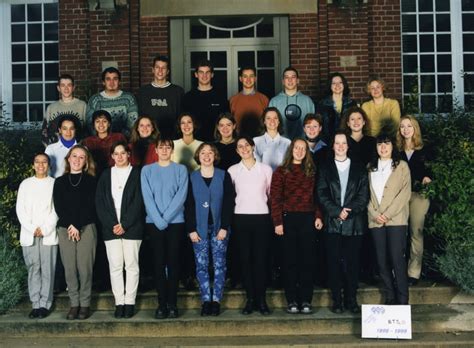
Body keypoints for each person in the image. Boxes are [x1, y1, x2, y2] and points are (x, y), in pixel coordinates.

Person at [317, 131, 369, 314]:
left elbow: (363, 196)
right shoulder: (325, 168)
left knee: (352, 264)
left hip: (354, 224)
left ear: (348, 146)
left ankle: (351, 299)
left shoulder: (359, 168)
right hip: (332, 224)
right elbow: (321, 194)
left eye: (343, 143)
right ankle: (337, 300)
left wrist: (349, 211)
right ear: (332, 146)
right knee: (333, 264)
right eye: (337, 143)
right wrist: (336, 211)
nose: (340, 146)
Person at [270, 138, 323, 315]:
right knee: (289, 262)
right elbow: (275, 198)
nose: (300, 151)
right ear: (291, 149)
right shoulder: (281, 171)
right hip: (287, 220)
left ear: (307, 152)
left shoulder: (312, 171)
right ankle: (292, 300)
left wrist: (318, 216)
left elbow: (316, 197)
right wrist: (277, 222)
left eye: (303, 148)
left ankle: (306, 300)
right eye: (297, 148)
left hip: (308, 218)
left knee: (307, 262)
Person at [95, 141, 144, 319]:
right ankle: (119, 302)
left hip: (132, 227)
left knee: (131, 265)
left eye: (123, 153)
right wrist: (112, 224)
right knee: (115, 266)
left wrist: (125, 224)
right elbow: (100, 203)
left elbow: (139, 201)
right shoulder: (106, 175)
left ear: (129, 154)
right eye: (116, 153)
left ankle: (129, 302)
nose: (120, 156)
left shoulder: (138, 173)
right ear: (112, 156)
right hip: (110, 228)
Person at [185, 143, 235, 316]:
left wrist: (224, 227)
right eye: (203, 153)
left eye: (210, 153)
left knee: (220, 264)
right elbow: (189, 205)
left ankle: (216, 301)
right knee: (201, 265)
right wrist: (191, 229)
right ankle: (206, 300)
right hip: (198, 229)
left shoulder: (223, 175)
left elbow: (229, 202)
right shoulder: (192, 177)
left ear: (215, 156)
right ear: (198, 156)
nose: (206, 156)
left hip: (219, 228)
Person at [141, 137, 188, 319]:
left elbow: (181, 196)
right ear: (156, 150)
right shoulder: (147, 170)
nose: (164, 150)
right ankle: (161, 305)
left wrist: (166, 218)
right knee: (158, 264)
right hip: (154, 223)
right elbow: (147, 198)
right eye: (161, 147)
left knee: (174, 263)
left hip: (175, 222)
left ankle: (173, 304)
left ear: (172, 150)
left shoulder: (180, 170)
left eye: (168, 147)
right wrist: (159, 220)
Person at [228, 136, 273, 315]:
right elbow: (230, 197)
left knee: (260, 260)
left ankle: (261, 299)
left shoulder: (265, 169)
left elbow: (271, 195)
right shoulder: (232, 171)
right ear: (237, 151)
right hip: (240, 218)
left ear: (253, 147)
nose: (244, 148)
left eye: (247, 145)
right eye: (240, 146)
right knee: (245, 260)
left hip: (262, 217)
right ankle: (250, 299)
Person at [53, 145, 97, 320]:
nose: (77, 160)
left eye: (81, 157)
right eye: (74, 156)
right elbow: (59, 206)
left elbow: (91, 205)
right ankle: (74, 303)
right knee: (70, 268)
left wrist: (77, 225)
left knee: (85, 268)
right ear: (68, 159)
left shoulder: (92, 181)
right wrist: (71, 225)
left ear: (86, 162)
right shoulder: (59, 182)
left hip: (87, 227)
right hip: (65, 229)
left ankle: (85, 304)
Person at [367, 133, 411, 305]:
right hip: (375, 220)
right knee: (381, 260)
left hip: (396, 220)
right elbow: (367, 195)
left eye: (386, 144)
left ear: (393, 146)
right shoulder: (370, 167)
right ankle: (390, 296)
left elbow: (405, 194)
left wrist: (387, 214)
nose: (383, 147)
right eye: (380, 144)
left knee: (396, 259)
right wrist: (375, 214)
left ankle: (402, 298)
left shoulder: (402, 167)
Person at [16, 153, 58, 319]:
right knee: (34, 269)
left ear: (49, 165)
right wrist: (33, 228)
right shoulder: (25, 184)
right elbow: (20, 210)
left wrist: (45, 228)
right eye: (37, 162)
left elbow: (56, 210)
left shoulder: (55, 184)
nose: (41, 165)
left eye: (44, 162)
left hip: (48, 234)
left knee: (48, 269)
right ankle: (35, 304)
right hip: (29, 233)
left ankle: (45, 304)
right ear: (33, 165)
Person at [397, 115, 432, 286]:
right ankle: (398, 270)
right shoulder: (396, 151)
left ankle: (413, 272)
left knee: (416, 232)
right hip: (399, 196)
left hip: (419, 195)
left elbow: (433, 171)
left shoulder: (425, 150)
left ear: (415, 128)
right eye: (402, 126)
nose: (405, 129)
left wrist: (428, 178)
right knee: (398, 234)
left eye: (409, 126)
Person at [137, 55, 184, 139]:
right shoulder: (143, 91)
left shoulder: (177, 91)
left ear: (168, 71)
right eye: (157, 67)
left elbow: (181, 118)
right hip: (149, 138)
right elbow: (139, 117)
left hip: (171, 138)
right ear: (153, 70)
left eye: (163, 68)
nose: (160, 70)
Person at [182, 60, 229, 141]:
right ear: (196, 74)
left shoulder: (220, 96)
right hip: (194, 141)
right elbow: (183, 122)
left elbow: (227, 120)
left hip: (216, 141)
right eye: (201, 72)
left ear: (212, 75)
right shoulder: (188, 97)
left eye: (207, 72)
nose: (204, 75)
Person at [86, 67, 138, 136]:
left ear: (119, 81)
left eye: (115, 79)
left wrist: (120, 139)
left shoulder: (128, 98)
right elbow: (90, 125)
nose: (112, 82)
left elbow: (133, 123)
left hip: (124, 140)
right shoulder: (95, 100)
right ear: (103, 82)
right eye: (108, 79)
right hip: (101, 141)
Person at [269, 66, 315, 139]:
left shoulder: (307, 101)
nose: (290, 80)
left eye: (293, 77)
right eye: (287, 77)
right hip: (281, 145)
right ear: (283, 81)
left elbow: (313, 125)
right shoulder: (274, 102)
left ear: (297, 80)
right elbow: (270, 127)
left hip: (302, 145)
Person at [42, 74, 86, 146]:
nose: (66, 88)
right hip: (56, 150)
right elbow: (44, 132)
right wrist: (49, 149)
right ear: (58, 88)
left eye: (69, 85)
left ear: (73, 87)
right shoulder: (51, 107)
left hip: (77, 150)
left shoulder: (82, 105)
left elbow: (87, 130)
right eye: (63, 85)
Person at [82, 110, 127, 176]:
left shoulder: (118, 137)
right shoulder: (87, 141)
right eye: (97, 121)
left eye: (104, 121)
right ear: (93, 124)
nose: (101, 124)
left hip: (117, 173)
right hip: (94, 175)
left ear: (109, 124)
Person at [317, 72, 357, 141]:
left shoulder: (352, 104)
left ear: (344, 85)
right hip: (328, 142)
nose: (337, 85)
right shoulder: (322, 104)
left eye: (340, 82)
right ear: (330, 86)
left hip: (348, 142)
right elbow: (318, 125)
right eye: (334, 83)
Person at [229, 66, 269, 131]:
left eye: (251, 76)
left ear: (255, 78)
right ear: (240, 79)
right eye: (245, 76)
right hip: (239, 139)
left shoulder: (264, 99)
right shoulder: (233, 100)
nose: (248, 79)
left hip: (259, 139)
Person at [253, 107, 291, 171]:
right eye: (268, 118)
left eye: (275, 118)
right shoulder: (255, 141)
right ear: (264, 121)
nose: (272, 121)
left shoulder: (287, 143)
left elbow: (289, 166)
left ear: (279, 121)